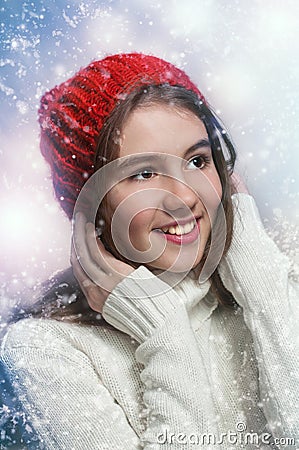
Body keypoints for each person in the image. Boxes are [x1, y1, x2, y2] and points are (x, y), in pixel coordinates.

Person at [0, 53, 298, 449]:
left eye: (197, 160)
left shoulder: (272, 284)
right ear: (90, 206)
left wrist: (265, 289)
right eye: (143, 173)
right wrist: (164, 333)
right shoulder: (47, 348)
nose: (186, 197)